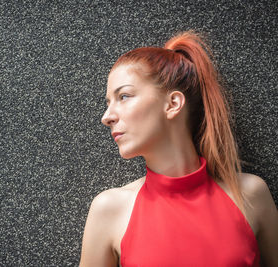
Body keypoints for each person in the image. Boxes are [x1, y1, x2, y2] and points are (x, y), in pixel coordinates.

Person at [79, 31, 278, 266]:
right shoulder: (109, 210)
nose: (107, 117)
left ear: (173, 104)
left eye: (124, 96)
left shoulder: (251, 194)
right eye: (108, 102)